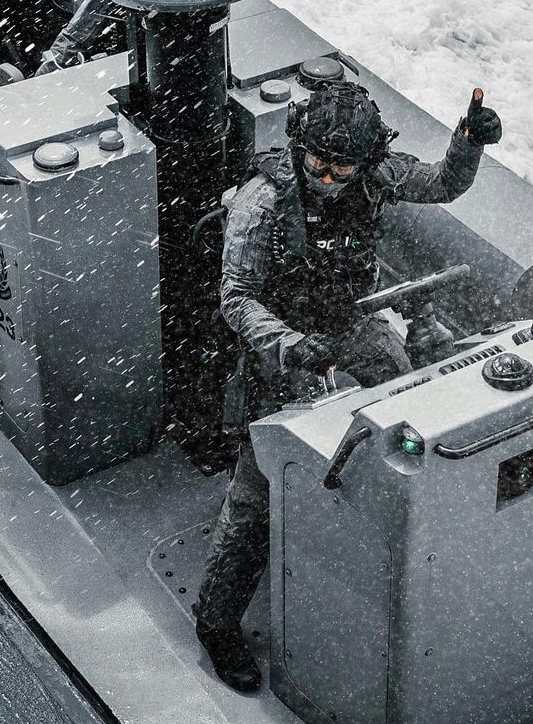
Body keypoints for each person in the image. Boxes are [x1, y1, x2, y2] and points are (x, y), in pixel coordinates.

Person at [195, 80, 503, 693]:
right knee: (259, 486)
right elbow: (235, 297)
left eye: (341, 165)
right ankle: (217, 620)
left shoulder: (376, 176)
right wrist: (291, 348)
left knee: (411, 410)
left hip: (351, 323)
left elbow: (442, 184)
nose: (327, 175)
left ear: (365, 161)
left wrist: (468, 143)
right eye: (317, 160)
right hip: (283, 346)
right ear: (299, 145)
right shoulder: (262, 203)